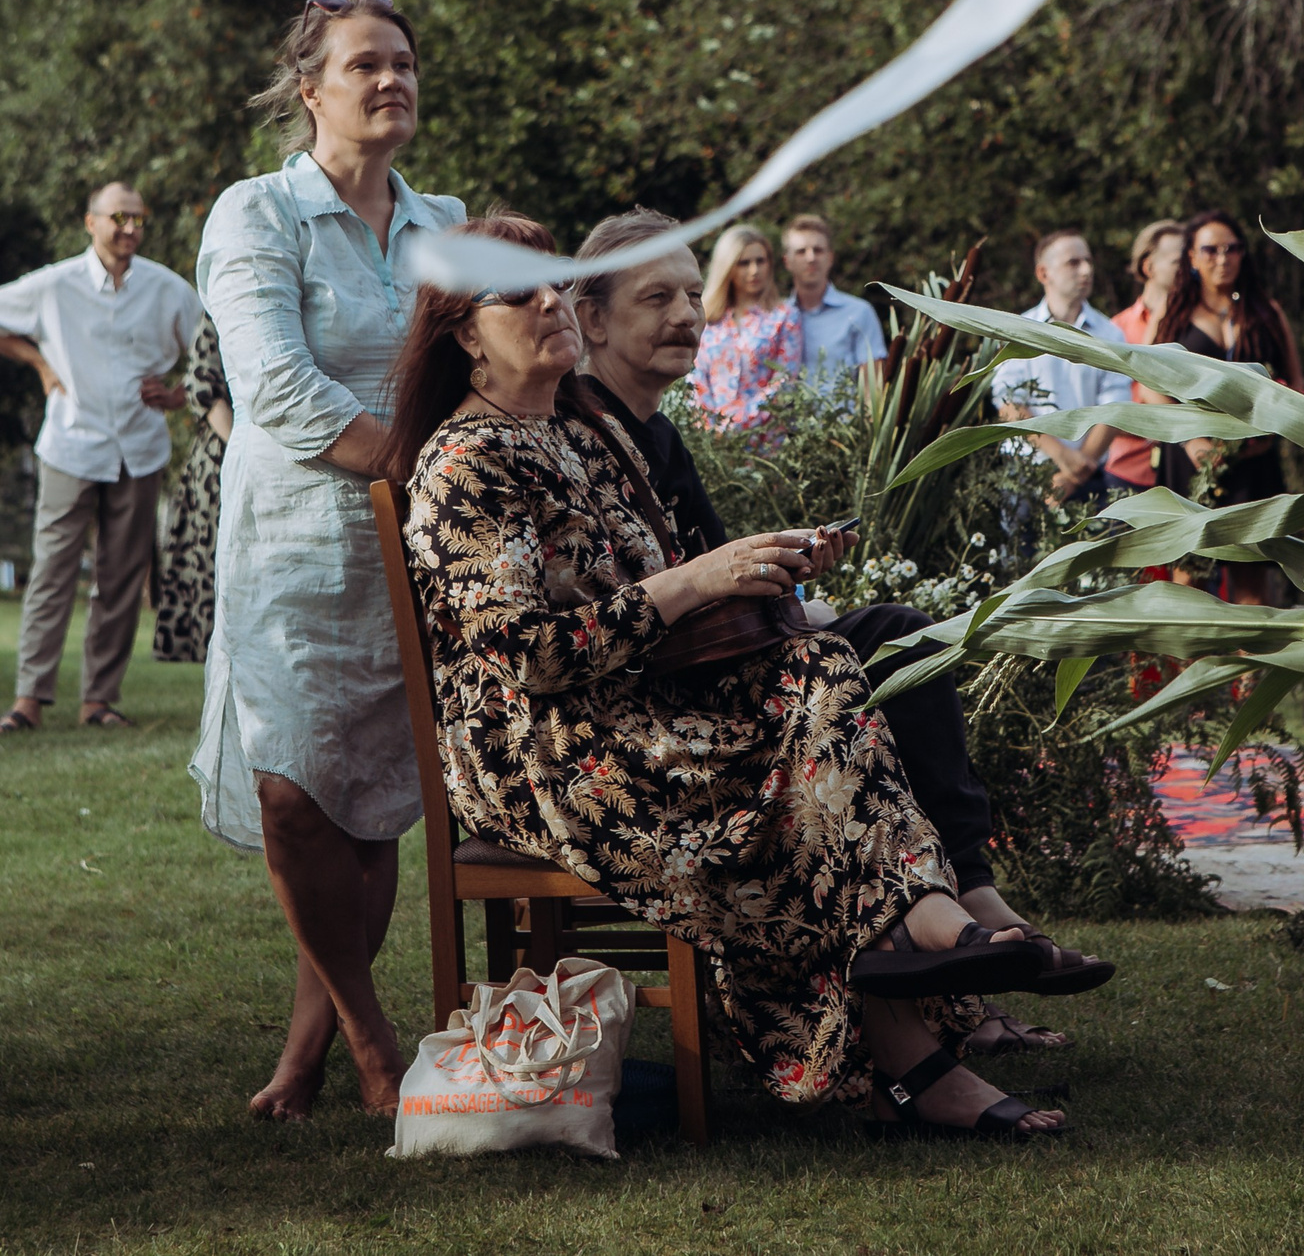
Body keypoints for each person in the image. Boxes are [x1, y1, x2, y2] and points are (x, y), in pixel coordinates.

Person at [394, 213, 1072, 1136]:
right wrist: (694, 581)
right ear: (466, 331)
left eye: (554, 281)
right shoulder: (465, 462)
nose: (552, 300)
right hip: (548, 757)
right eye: (522, 291)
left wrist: (741, 580)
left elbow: (658, 609)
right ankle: (926, 941)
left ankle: (912, 999)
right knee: (815, 689)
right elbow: (529, 657)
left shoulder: (572, 435)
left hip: (633, 714)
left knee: (821, 680)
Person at [569, 208, 1112, 1056]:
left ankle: (968, 890)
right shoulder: (583, 435)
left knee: (902, 633)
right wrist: (782, 600)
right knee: (873, 641)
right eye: (656, 297)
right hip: (671, 698)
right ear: (592, 318)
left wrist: (790, 564)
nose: (686, 313)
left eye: (688, 292)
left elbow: (715, 561)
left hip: (721, 652)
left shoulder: (655, 431)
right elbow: (648, 600)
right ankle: (953, 934)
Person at [190, 0, 463, 1122]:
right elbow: (282, 389)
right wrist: (426, 462)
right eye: (365, 65)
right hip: (296, 547)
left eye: (403, 62)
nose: (390, 80)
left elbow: (477, 366)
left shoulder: (442, 218)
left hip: (419, 551)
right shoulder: (258, 214)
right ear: (310, 90)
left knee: (371, 803)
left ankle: (301, 1066)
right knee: (295, 794)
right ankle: (372, 1044)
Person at [0, 182, 200, 733]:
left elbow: (214, 353)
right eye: (117, 217)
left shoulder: (169, 289)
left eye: (138, 219)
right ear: (89, 222)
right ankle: (29, 700)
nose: (129, 229)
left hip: (141, 448)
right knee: (51, 571)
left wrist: (180, 394)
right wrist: (40, 364)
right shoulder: (55, 283)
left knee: (121, 578)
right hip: (71, 445)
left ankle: (99, 701)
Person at [1136, 209, 1304, 537]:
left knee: (1252, 570)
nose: (1222, 258)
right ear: (1192, 258)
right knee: (1190, 568)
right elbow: (1148, 388)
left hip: (1254, 457)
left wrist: (1272, 432)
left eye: (1232, 249)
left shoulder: (1268, 314)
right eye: (1210, 250)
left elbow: (1296, 382)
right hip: (1190, 457)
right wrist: (1191, 441)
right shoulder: (1170, 316)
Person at [992, 229, 1134, 503]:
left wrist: (1072, 474)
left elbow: (1115, 409)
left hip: (1090, 475)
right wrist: (1061, 457)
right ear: (1044, 274)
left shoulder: (1110, 334)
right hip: (1026, 474)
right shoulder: (1019, 330)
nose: (1086, 270)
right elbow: (1009, 405)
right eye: (1073, 262)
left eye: (1089, 261)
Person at [152, 319, 229, 665]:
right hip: (222, 461)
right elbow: (203, 386)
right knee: (215, 565)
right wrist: (244, 447)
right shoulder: (216, 312)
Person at [688, 223, 802, 430]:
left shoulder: (783, 316)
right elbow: (694, 378)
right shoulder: (707, 317)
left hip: (764, 439)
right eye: (744, 263)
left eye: (760, 261)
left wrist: (736, 424)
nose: (754, 270)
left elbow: (784, 381)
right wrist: (710, 425)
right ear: (728, 266)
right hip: (710, 441)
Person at [1105, 220, 1188, 491]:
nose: (1189, 268)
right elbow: (1104, 407)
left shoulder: (1200, 326)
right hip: (1130, 473)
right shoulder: (1116, 329)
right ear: (1148, 267)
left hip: (1188, 468)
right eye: (1179, 261)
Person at [781, 213, 888, 379]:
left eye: (818, 250)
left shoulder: (859, 313)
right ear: (787, 261)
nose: (811, 258)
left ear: (830, 257)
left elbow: (873, 389)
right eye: (801, 252)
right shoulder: (777, 318)